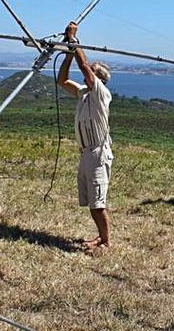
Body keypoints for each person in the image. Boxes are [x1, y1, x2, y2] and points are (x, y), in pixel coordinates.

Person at [56, 23, 114, 254]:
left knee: (98, 203)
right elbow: (62, 80)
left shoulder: (101, 93)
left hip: (98, 153)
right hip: (86, 153)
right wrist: (70, 54)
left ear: (98, 78)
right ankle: (101, 237)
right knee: (92, 203)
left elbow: (84, 68)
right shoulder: (84, 93)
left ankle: (107, 241)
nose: (87, 69)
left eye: (91, 69)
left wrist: (74, 41)